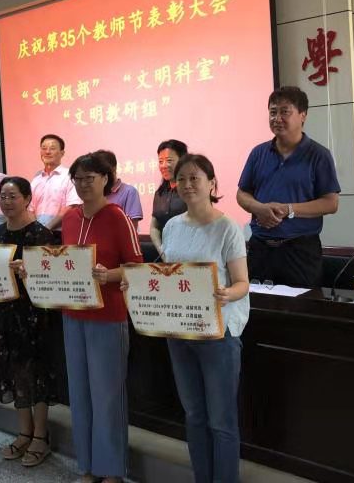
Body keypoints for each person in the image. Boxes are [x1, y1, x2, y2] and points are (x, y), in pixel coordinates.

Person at [127, 154, 249, 483]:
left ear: (212, 184)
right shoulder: (172, 227)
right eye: (181, 179)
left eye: (195, 178)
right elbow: (169, 277)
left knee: (221, 421)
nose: (187, 184)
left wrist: (226, 293)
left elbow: (242, 283)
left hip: (219, 334)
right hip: (179, 332)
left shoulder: (227, 228)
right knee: (194, 415)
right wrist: (137, 286)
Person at [58, 152, 143, 483]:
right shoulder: (69, 217)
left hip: (108, 316)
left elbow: (136, 267)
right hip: (72, 315)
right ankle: (88, 466)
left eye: (89, 178)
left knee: (107, 396)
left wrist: (108, 276)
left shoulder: (117, 216)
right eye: (77, 179)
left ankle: (112, 470)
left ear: (105, 179)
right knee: (79, 394)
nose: (82, 184)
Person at [0, 177, 58, 467]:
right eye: (2, 196)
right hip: (4, 312)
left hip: (33, 314)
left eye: (13, 196)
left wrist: (30, 272)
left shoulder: (41, 234)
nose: (6, 202)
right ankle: (23, 432)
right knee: (15, 372)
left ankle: (41, 436)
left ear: (28, 199)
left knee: (36, 373)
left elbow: (51, 278)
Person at [237, 86, 340, 288]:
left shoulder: (319, 155)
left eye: (285, 112)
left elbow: (331, 203)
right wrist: (259, 208)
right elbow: (242, 193)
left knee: (302, 305)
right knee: (258, 304)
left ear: (303, 115)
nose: (277, 118)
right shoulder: (258, 153)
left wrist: (289, 209)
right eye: (273, 112)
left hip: (300, 250)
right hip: (260, 248)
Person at [30, 134, 80, 234]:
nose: (47, 152)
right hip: (37, 233)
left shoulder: (70, 175)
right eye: (44, 148)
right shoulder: (36, 178)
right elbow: (30, 208)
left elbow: (72, 206)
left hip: (60, 233)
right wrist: (36, 228)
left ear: (62, 153)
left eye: (52, 148)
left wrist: (47, 228)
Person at [150, 139, 188, 259]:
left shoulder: (192, 191)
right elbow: (154, 227)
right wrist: (162, 252)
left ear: (182, 161)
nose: (164, 166)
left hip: (191, 257)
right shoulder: (160, 193)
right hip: (165, 257)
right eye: (160, 161)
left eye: (169, 161)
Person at [95, 149, 143, 229]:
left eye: (103, 171)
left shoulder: (129, 192)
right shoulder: (95, 193)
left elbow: (132, 228)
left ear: (114, 169)